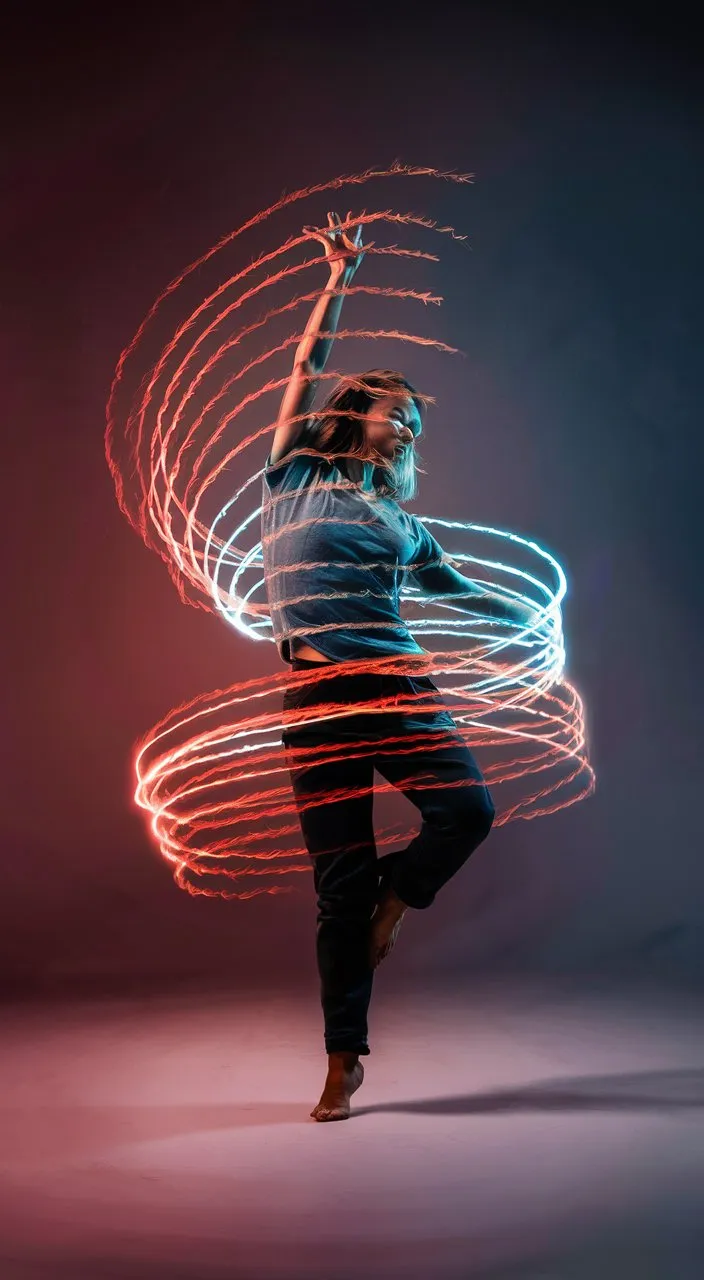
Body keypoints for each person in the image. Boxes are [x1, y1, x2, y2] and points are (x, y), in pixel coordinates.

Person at [261, 212, 536, 1122]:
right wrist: (340, 278)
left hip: (393, 688)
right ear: (357, 415)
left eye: (415, 419)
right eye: (397, 409)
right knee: (338, 892)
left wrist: (532, 610)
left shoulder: (406, 527)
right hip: (313, 698)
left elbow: (461, 595)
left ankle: (401, 900)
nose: (410, 422)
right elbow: (303, 368)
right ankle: (344, 1060)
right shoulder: (294, 471)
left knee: (467, 810)